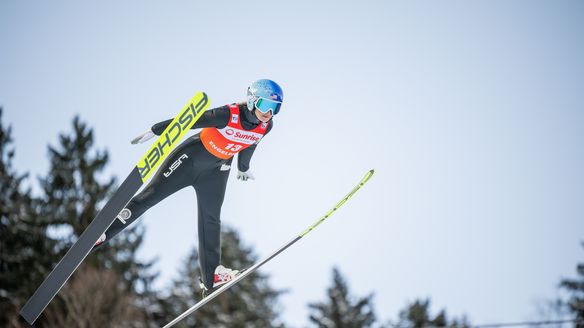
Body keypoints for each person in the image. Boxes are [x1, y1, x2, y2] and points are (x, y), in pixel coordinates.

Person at [93, 79, 284, 293]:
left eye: (275, 107)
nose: (269, 112)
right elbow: (190, 120)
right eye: (265, 105)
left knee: (211, 217)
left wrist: (243, 166)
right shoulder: (228, 115)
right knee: (150, 197)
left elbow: (251, 143)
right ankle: (104, 232)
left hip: (216, 171)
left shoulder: (266, 126)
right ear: (252, 101)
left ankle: (211, 275)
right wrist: (156, 130)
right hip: (190, 159)